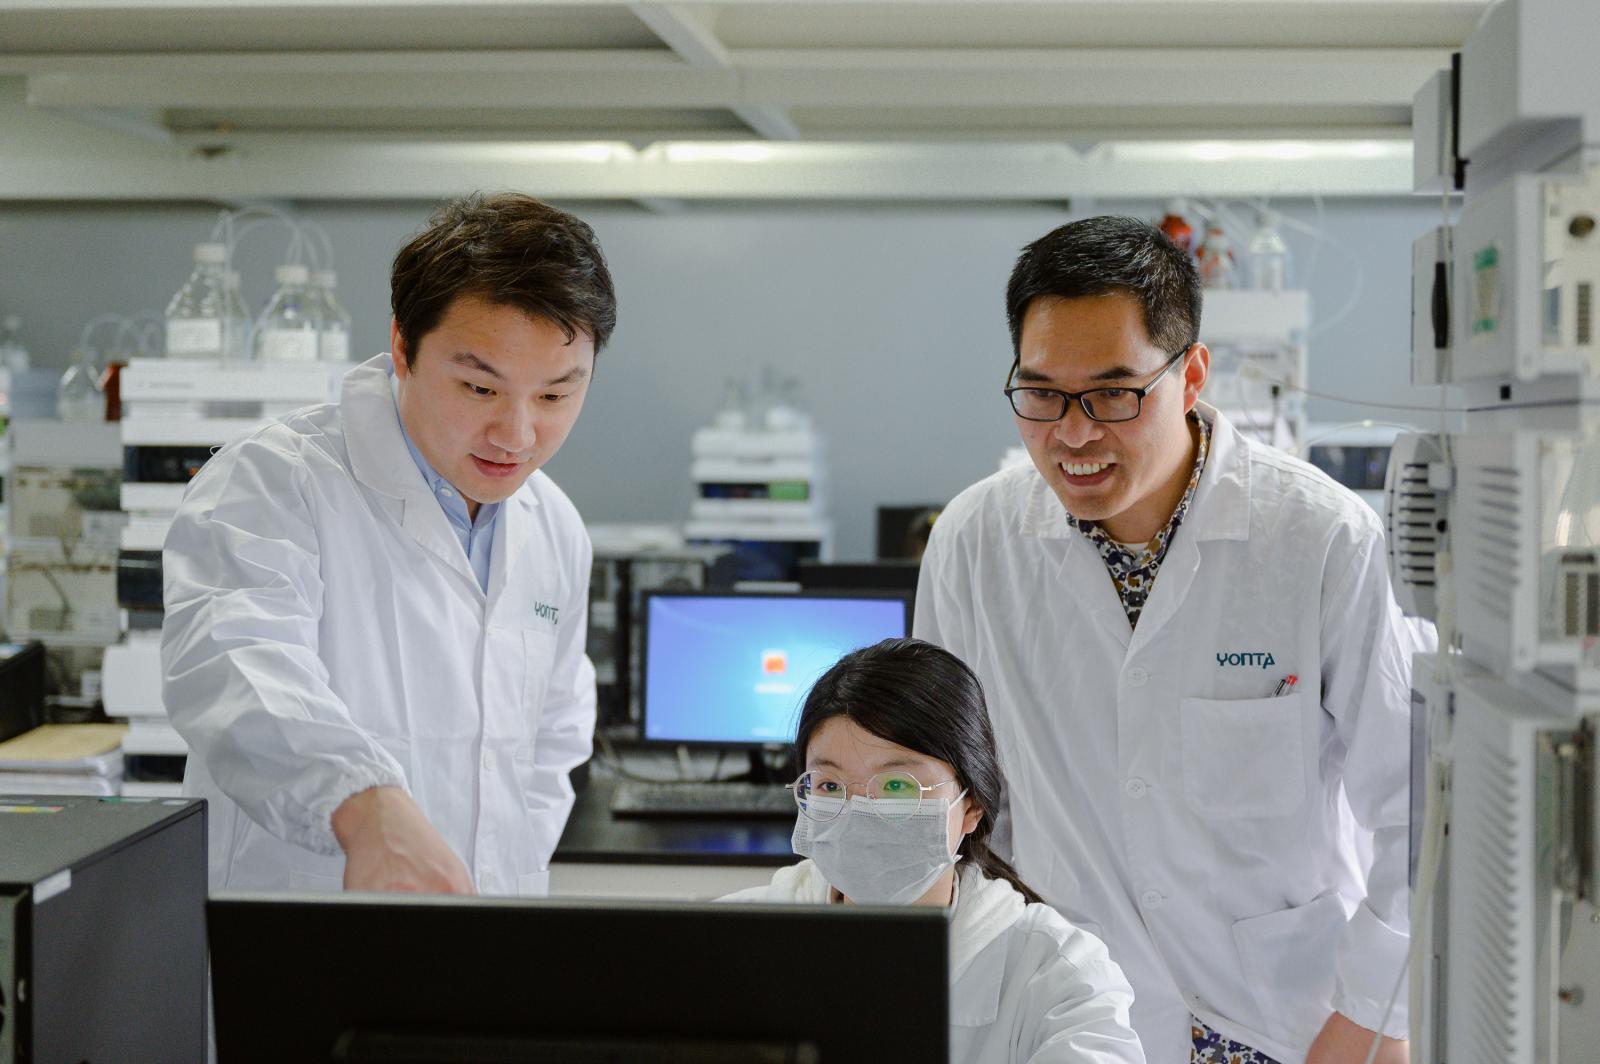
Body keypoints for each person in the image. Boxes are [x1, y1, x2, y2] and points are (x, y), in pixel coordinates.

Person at [915, 216, 1413, 1064]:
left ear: (1191, 376)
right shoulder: (973, 542)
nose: (1074, 433)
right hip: (1068, 1018)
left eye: (1115, 394)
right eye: (1042, 394)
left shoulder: (1320, 537)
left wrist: (1371, 1016)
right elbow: (948, 798)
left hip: (1285, 1022)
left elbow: (1415, 806)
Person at [163, 192, 614, 897]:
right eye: (479, 387)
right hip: (305, 921)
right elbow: (236, 669)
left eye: (555, 396)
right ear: (403, 347)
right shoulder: (273, 481)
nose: (517, 435)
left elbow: (553, 737)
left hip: (488, 926)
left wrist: (506, 874)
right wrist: (363, 806)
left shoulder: (554, 525)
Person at [724, 637, 1146, 1064]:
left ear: (971, 806)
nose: (857, 810)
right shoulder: (729, 945)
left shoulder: (1060, 977)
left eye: (897, 785)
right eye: (830, 785)